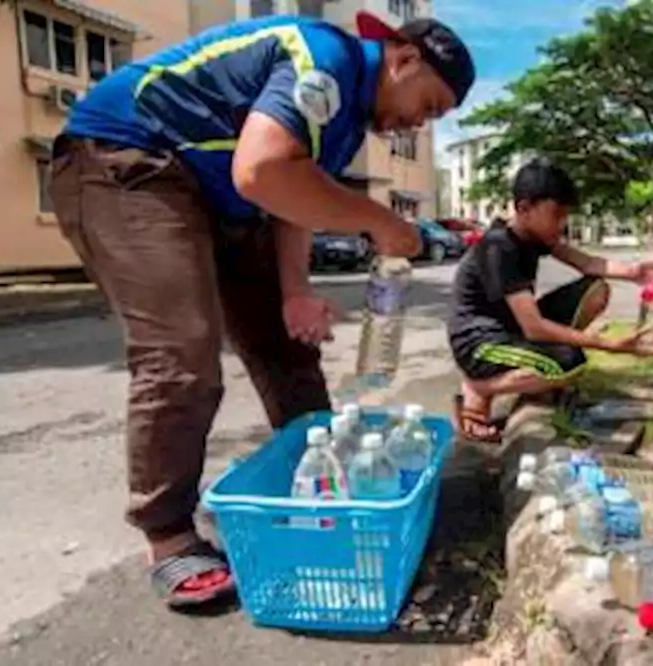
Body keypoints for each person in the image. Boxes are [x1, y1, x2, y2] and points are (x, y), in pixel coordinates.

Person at [47, 11, 474, 608]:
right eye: (427, 106)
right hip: (127, 159)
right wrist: (382, 222)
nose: (417, 123)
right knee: (182, 353)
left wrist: (295, 290)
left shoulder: (347, 122)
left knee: (285, 340)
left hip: (218, 195)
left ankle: (323, 484)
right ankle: (168, 535)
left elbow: (291, 196)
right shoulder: (323, 59)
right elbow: (262, 168)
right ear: (403, 60)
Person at [447, 159, 653, 443]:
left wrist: (636, 271)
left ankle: (529, 374)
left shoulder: (535, 236)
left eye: (566, 215)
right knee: (568, 364)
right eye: (556, 214)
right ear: (524, 208)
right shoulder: (499, 248)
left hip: (510, 328)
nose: (562, 224)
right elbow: (534, 328)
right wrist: (609, 345)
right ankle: (480, 387)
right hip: (479, 344)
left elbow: (587, 263)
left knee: (596, 289)